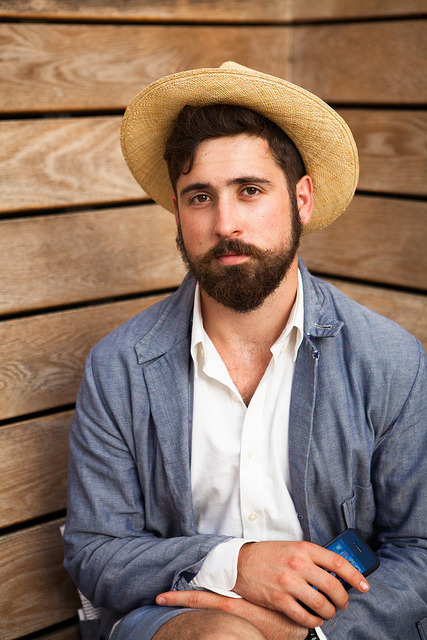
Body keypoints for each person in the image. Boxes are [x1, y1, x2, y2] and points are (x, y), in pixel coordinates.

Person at [63, 62, 426, 640]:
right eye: (199, 196)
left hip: (340, 626)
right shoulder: (120, 365)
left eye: (250, 191)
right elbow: (96, 549)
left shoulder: (391, 362)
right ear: (178, 214)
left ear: (302, 199)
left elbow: (420, 550)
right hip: (177, 617)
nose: (225, 222)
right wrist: (238, 563)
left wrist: (304, 633)